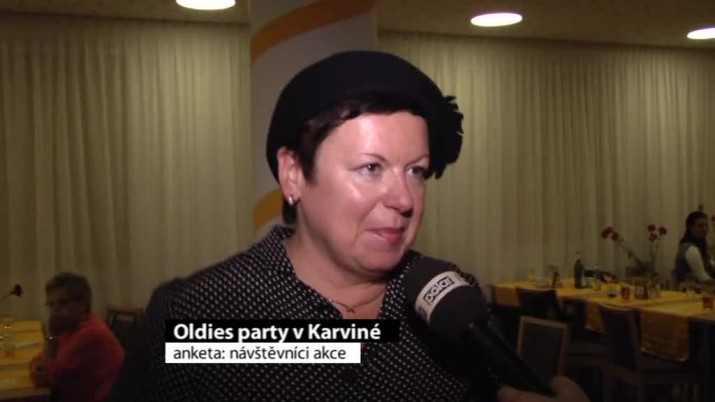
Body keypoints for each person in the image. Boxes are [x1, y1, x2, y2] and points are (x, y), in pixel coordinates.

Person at [111, 51, 587, 401]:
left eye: (416, 171)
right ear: (294, 174)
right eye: (370, 168)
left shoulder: (448, 298)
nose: (404, 199)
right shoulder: (200, 313)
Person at [29, 272, 124, 402]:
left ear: (83, 305)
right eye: (51, 305)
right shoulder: (70, 328)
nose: (55, 310)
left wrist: (52, 336)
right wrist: (37, 367)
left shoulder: (90, 333)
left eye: (62, 303)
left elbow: (52, 378)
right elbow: (40, 361)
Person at [673, 210, 715, 283]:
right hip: (693, 288)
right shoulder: (690, 248)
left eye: (706, 226)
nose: (705, 229)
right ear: (690, 227)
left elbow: (711, 264)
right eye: (700, 226)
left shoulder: (702, 246)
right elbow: (702, 278)